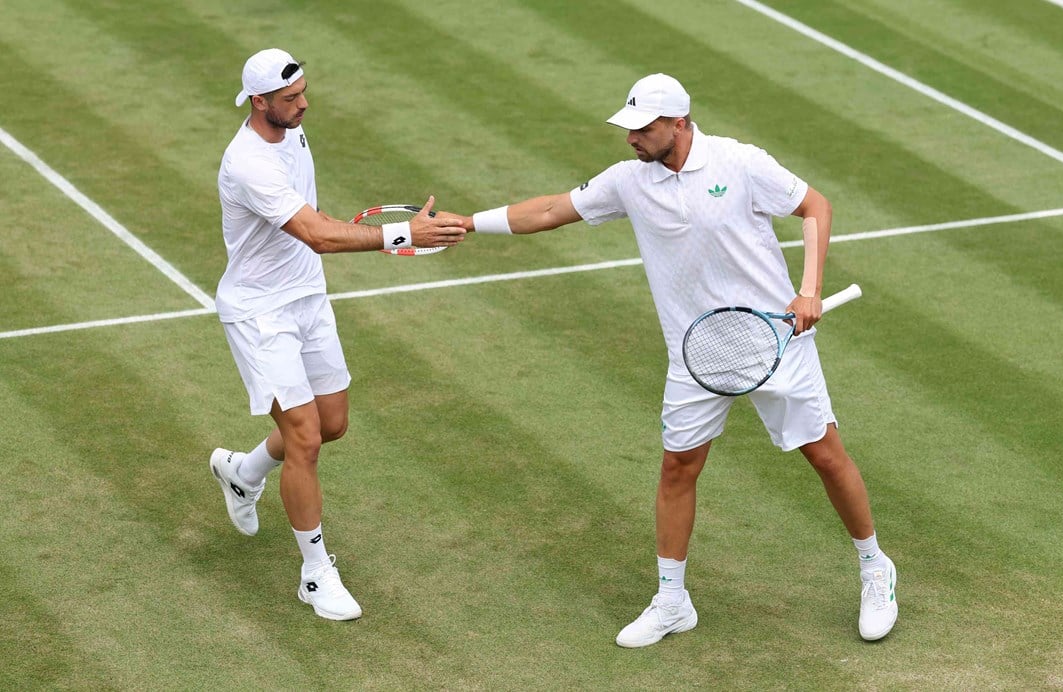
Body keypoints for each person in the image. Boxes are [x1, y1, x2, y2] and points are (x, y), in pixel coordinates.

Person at [459, 73, 898, 647]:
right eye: (629, 128)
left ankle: (874, 568)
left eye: (643, 128)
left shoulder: (740, 163)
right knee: (677, 468)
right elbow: (548, 210)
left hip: (775, 345)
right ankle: (672, 601)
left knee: (824, 454)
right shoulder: (628, 182)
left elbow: (816, 206)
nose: (632, 139)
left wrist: (809, 288)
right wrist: (468, 224)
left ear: (679, 124)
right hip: (694, 355)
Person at [210, 48, 466, 620]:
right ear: (259, 103)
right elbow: (316, 234)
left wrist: (378, 236)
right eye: (290, 99)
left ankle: (242, 471)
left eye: (303, 93)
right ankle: (315, 574)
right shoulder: (249, 162)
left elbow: (314, 224)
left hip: (307, 298)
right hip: (260, 313)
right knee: (303, 439)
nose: (303, 105)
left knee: (331, 425)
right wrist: (403, 236)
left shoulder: (293, 132)